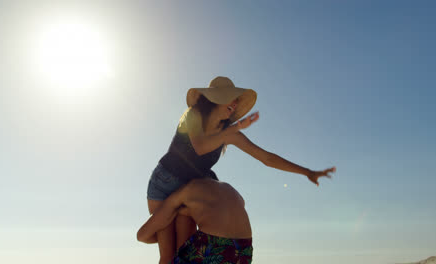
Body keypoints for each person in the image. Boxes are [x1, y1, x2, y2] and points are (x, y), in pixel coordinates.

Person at [146, 76, 336, 263]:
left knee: (183, 252)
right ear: (215, 98)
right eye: (231, 97)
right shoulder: (194, 115)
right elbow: (200, 146)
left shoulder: (229, 133)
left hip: (191, 189)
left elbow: (267, 158)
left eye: (236, 100)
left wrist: (307, 172)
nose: (235, 103)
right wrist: (229, 132)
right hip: (166, 184)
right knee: (167, 255)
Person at [139, 178, 253, 264]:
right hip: (244, 250)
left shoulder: (187, 189)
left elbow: (142, 235)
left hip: (213, 244)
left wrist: (167, 237)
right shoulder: (231, 190)